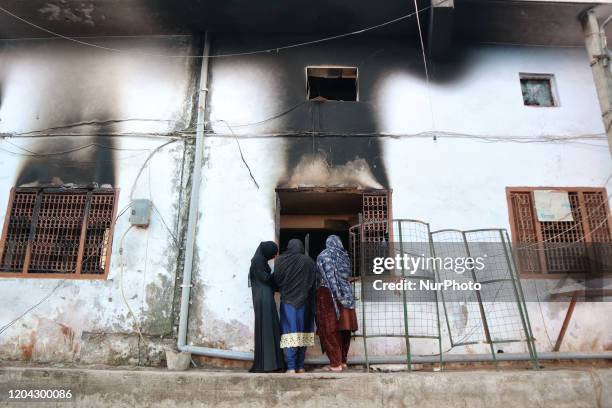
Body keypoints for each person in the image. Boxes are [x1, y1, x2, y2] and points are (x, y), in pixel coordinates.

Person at [315, 235, 358, 371]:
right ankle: (343, 361)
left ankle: (335, 363)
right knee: (345, 329)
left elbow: (319, 276)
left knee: (329, 330)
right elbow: (348, 275)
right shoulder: (345, 257)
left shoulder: (323, 255)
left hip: (328, 295)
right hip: (347, 297)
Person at [273, 239, 316, 373]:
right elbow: (313, 282)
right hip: (306, 303)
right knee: (303, 332)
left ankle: (291, 367)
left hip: (288, 303)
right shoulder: (309, 261)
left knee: (289, 333)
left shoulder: (280, 260)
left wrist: (285, 288)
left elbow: (277, 280)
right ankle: (300, 366)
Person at [249, 241, 285, 373]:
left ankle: (270, 363)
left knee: (268, 328)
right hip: (263, 298)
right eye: (273, 253)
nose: (274, 255)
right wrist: (279, 273)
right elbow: (266, 279)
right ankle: (269, 364)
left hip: (264, 297)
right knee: (267, 328)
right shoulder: (258, 263)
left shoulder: (260, 262)